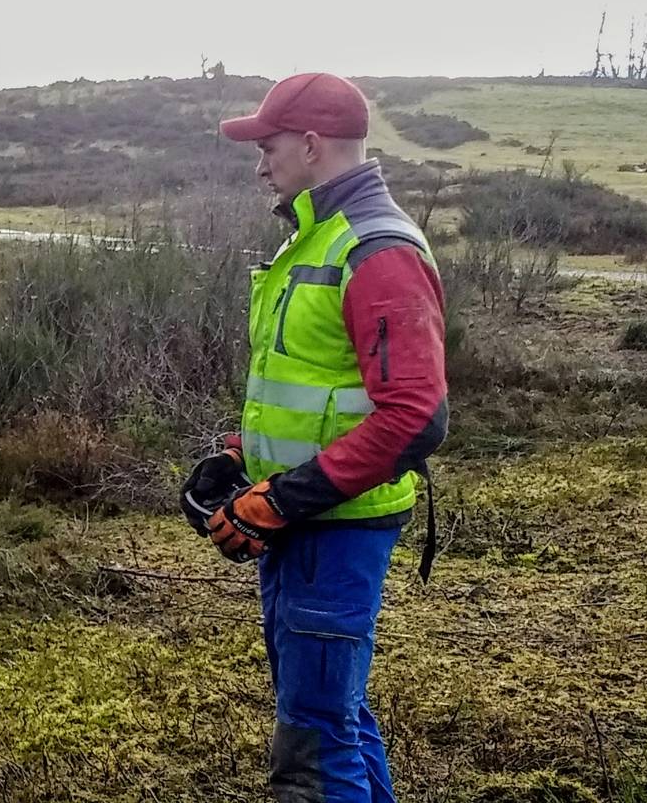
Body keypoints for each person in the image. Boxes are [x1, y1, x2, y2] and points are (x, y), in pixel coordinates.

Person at [202, 72, 448, 803]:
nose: (259, 164)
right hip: (303, 521)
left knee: (312, 741)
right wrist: (243, 456)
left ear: (310, 145)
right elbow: (319, 387)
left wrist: (282, 499)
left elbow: (415, 416)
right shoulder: (319, 239)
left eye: (268, 146)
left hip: (334, 527)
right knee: (333, 715)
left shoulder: (375, 248)